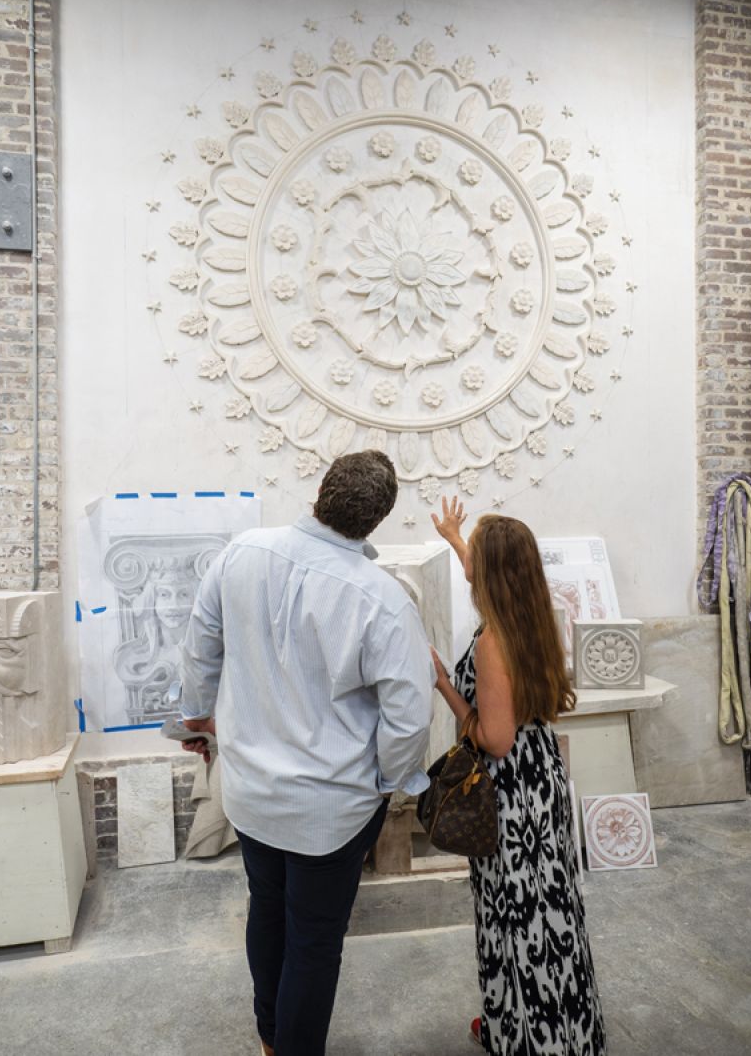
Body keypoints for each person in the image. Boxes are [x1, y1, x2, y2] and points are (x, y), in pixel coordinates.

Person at [178, 451, 434, 1056]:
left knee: (266, 912)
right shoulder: (383, 597)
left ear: (321, 489)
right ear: (379, 520)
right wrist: (391, 780)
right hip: (332, 806)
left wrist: (197, 719)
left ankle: (271, 1040)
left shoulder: (242, 552)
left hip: (251, 792)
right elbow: (409, 713)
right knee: (314, 941)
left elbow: (199, 645)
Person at [431, 497, 607, 1056]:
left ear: (489, 575)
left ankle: (523, 1037)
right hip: (543, 779)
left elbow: (495, 738)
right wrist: (458, 540)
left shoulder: (491, 643)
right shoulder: (533, 616)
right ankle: (568, 1033)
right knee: (553, 910)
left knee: (514, 916)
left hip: (509, 795)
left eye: (473, 561)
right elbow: (487, 572)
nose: (468, 570)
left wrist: (444, 687)